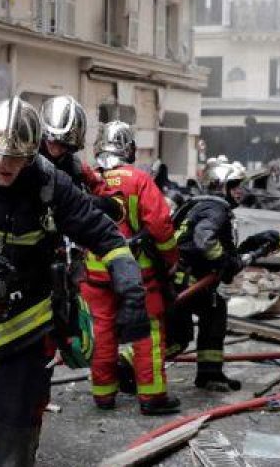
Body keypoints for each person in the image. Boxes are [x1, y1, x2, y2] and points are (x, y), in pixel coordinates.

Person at [0, 97, 150, 466]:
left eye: (14, 158)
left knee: (15, 430)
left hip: (22, 330)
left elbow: (107, 237)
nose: (3, 164)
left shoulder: (51, 184)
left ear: (31, 153)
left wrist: (131, 290)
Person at [83, 121, 180, 415]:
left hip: (97, 271)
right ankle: (151, 398)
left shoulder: (91, 179)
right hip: (139, 273)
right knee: (146, 332)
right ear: (129, 148)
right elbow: (161, 225)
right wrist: (170, 259)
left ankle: (103, 396)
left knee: (101, 332)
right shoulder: (139, 180)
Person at [166, 156, 249, 392]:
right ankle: (128, 366)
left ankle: (210, 373)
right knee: (177, 339)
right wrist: (223, 262)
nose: (240, 191)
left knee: (214, 312)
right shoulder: (216, 208)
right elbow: (205, 239)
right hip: (186, 282)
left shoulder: (195, 204)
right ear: (221, 186)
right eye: (234, 186)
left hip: (185, 279)